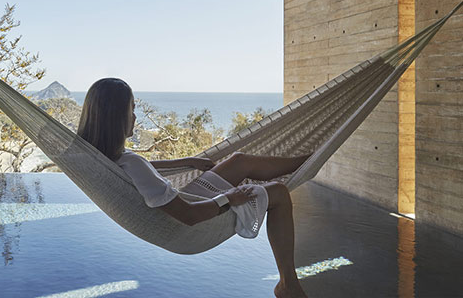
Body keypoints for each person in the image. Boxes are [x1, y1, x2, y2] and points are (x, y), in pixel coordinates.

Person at [77, 78, 309, 298]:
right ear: (117, 117)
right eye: (131, 109)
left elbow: (140, 168)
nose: (135, 117)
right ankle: (288, 284)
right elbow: (189, 216)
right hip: (191, 222)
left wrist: (187, 161)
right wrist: (229, 197)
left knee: (239, 160)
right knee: (278, 192)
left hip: (188, 203)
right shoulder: (132, 164)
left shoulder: (101, 155)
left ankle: (308, 158)